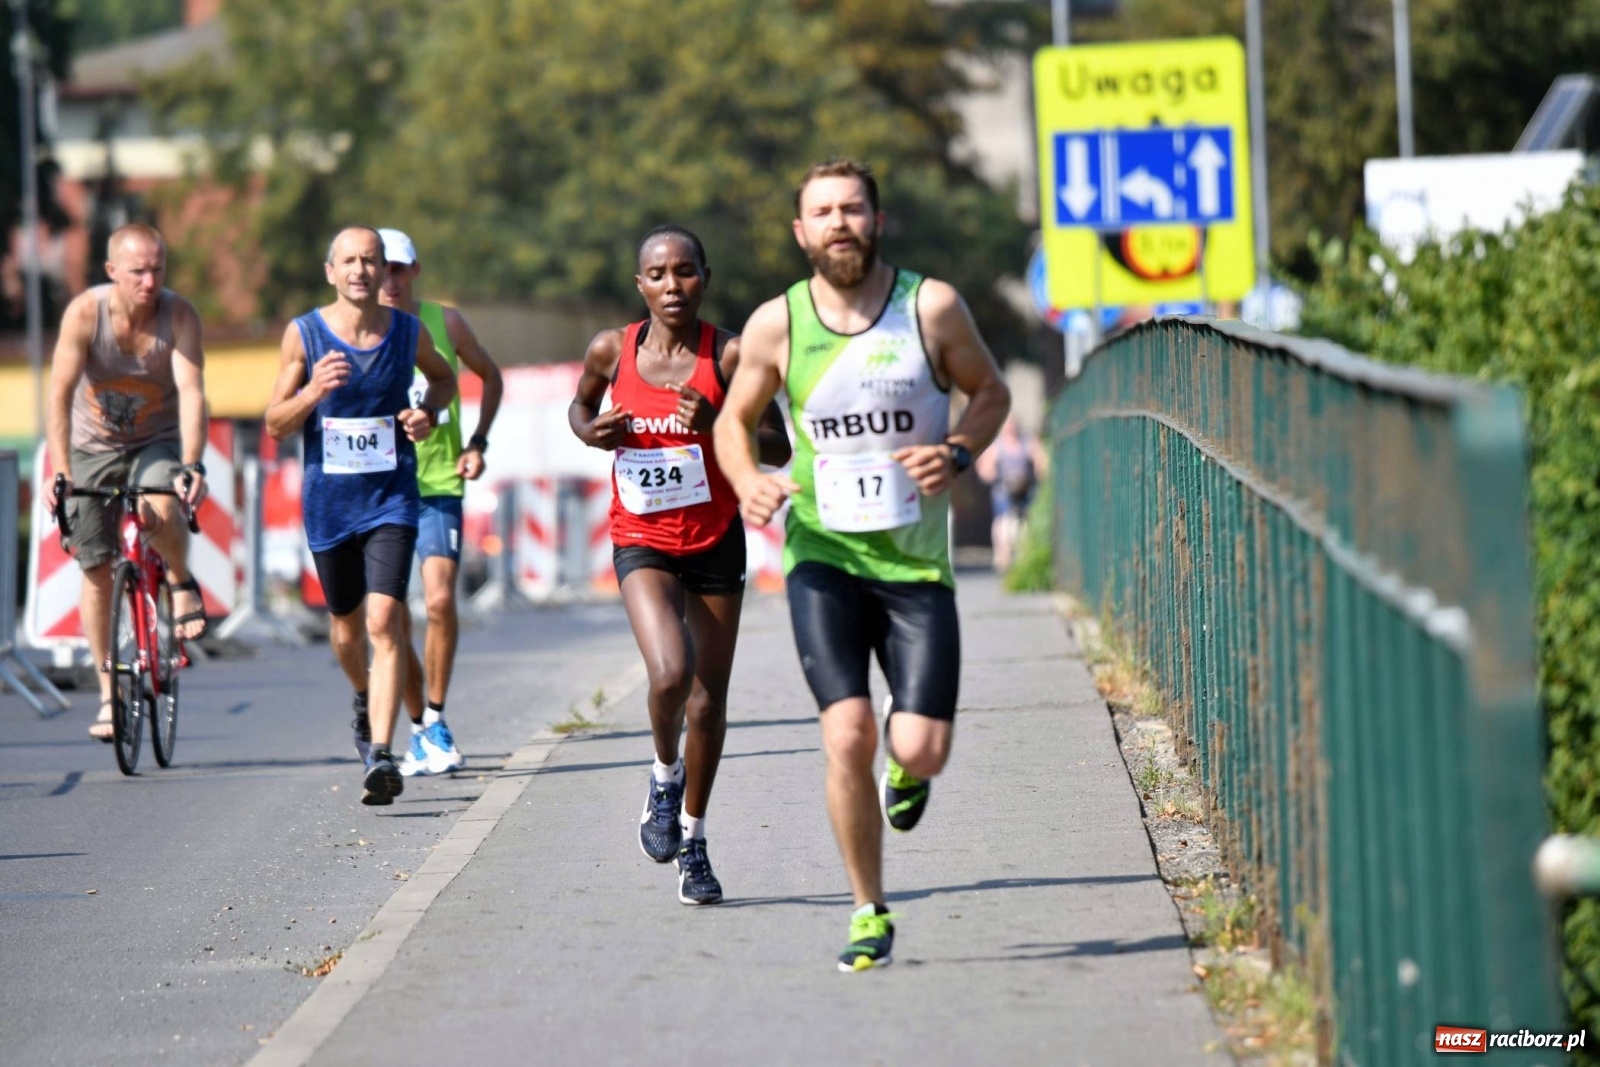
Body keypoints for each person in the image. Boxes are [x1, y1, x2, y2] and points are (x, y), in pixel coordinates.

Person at [714, 160, 1010, 969]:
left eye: (853, 209)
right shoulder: (778, 323)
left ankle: (907, 772)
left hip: (915, 569)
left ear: (877, 221)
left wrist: (956, 450)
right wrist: (748, 483)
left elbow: (991, 394)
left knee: (921, 749)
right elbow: (732, 423)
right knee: (847, 731)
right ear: (802, 232)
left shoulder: (931, 306)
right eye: (823, 212)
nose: (839, 222)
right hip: (823, 556)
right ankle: (867, 908)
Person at [570, 225, 791, 905]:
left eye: (686, 272)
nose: (673, 285)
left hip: (716, 536)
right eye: (658, 274)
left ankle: (693, 839)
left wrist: (717, 417)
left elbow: (778, 445)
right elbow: (580, 406)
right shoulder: (614, 348)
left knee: (707, 700)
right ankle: (663, 776)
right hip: (642, 536)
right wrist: (588, 429)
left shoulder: (727, 355)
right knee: (669, 673)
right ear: (640, 284)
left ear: (705, 277)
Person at [264, 226, 456, 805]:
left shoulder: (407, 332)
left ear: (383, 269)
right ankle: (361, 696)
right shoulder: (305, 335)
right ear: (331, 271)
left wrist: (425, 413)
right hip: (329, 505)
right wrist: (312, 392)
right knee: (347, 629)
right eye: (348, 260)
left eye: (370, 260)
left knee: (385, 622)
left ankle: (381, 754)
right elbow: (275, 421)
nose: (360, 270)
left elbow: (444, 379)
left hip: (392, 500)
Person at [44, 224, 210, 742]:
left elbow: (192, 391)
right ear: (112, 271)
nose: (149, 280)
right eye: (137, 270)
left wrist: (194, 464)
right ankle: (109, 694)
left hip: (154, 441)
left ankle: (180, 583)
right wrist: (61, 469)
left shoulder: (178, 315)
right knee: (94, 568)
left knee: (160, 503)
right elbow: (58, 394)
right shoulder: (85, 315)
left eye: (158, 268)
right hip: (91, 449)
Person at [376, 228, 505, 777]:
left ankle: (436, 716)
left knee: (440, 601)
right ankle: (416, 728)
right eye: (378, 268)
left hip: (438, 486)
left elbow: (491, 377)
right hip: (379, 492)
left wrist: (477, 443)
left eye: (397, 269)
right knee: (389, 616)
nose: (387, 279)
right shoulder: (350, 331)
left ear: (414, 272)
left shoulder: (444, 322)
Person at [975, 416, 1045, 573]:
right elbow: (984, 466)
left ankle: (1023, 555)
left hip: (1024, 488)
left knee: (1024, 522)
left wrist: (1038, 473)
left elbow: (1040, 459)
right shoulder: (997, 446)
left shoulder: (1026, 443)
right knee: (1003, 522)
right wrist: (990, 474)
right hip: (1003, 489)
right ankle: (1003, 556)